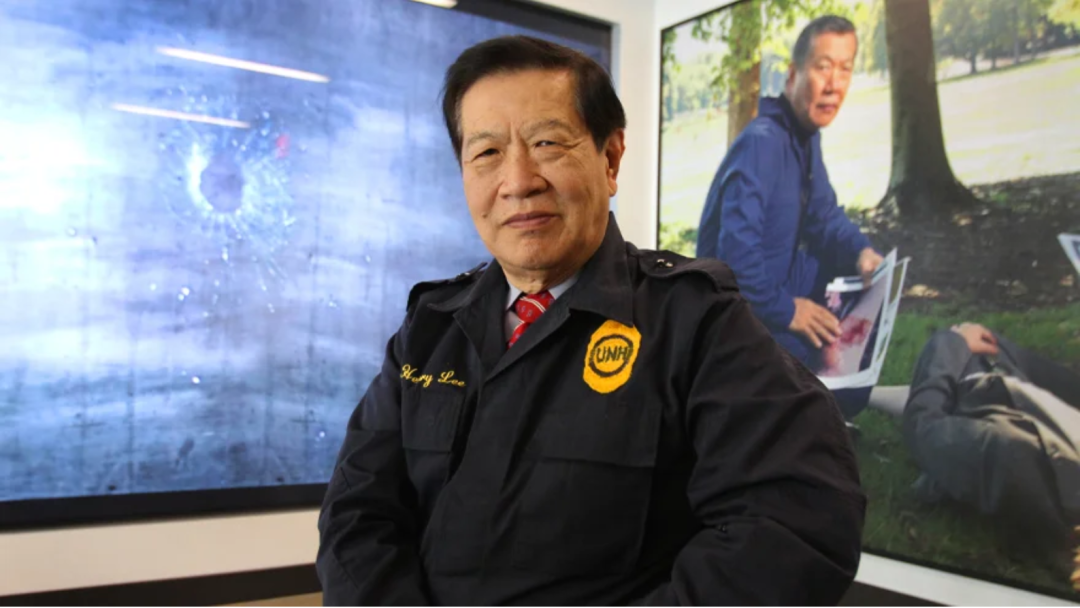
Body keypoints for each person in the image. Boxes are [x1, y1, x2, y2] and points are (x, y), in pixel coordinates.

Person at [316, 35, 864, 605]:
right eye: (487, 153)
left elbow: (801, 517)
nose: (518, 181)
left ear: (610, 158)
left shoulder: (695, 321)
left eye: (547, 143)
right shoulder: (430, 330)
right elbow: (356, 515)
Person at [696, 15, 882, 418]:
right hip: (734, 321)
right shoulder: (762, 144)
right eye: (823, 67)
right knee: (826, 379)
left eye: (845, 69)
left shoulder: (804, 138)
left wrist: (862, 252)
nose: (834, 84)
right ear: (794, 75)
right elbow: (733, 261)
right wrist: (789, 310)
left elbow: (824, 216)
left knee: (856, 289)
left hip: (772, 296)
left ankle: (829, 401)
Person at [903, 323, 1080, 584]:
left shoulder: (1013, 457)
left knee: (965, 342)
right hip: (1018, 395)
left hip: (981, 394)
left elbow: (922, 427)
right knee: (985, 342)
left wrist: (950, 343)